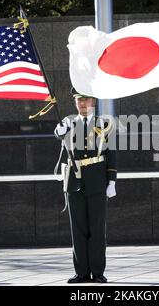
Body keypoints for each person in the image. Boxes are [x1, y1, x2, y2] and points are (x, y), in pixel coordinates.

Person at [54, 87, 117, 284]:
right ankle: (81, 272)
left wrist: (112, 181)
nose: (83, 104)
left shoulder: (104, 124)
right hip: (74, 182)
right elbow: (57, 134)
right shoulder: (69, 122)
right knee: (78, 230)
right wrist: (60, 130)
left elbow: (111, 154)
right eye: (79, 100)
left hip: (97, 181)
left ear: (94, 102)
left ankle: (97, 272)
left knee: (97, 230)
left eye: (87, 100)